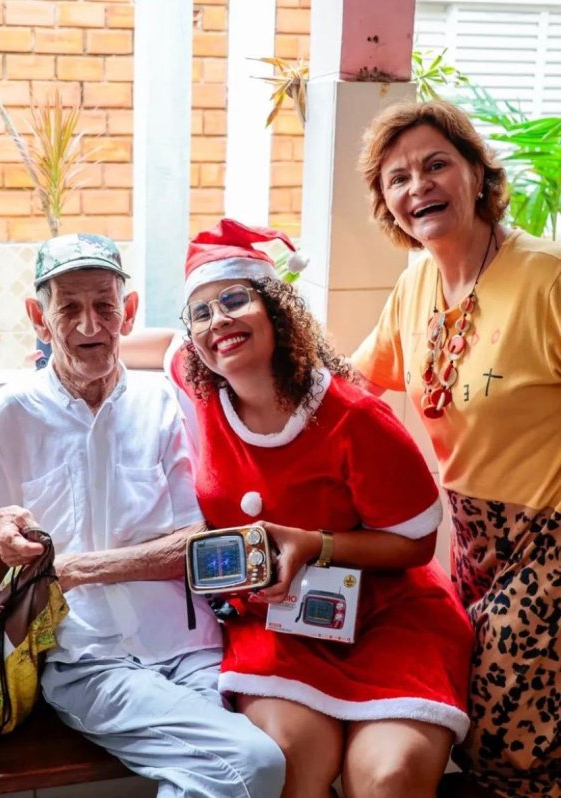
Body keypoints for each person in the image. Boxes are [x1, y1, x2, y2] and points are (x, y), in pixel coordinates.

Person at [126, 218, 475, 798]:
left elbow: (415, 544)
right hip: (279, 624)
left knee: (386, 777)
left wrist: (316, 544)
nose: (220, 323)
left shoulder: (355, 419)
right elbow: (165, 345)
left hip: (390, 617)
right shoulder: (199, 381)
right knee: (288, 761)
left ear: (278, 308)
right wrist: (85, 345)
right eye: (203, 312)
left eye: (235, 300)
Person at [0, 232, 286, 798]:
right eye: (68, 307)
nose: (90, 324)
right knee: (254, 764)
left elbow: (194, 540)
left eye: (104, 305)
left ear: (129, 311)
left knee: (213, 779)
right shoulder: (15, 412)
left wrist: (72, 570)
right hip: (88, 662)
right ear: (38, 318)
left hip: (192, 649)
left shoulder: (165, 402)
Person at [354, 99, 560, 798]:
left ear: (478, 173)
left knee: (515, 737)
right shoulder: (416, 285)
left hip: (550, 540)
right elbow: (355, 386)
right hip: (472, 544)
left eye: (437, 164)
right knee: (488, 722)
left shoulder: (546, 277)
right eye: (398, 178)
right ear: (386, 205)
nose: (419, 187)